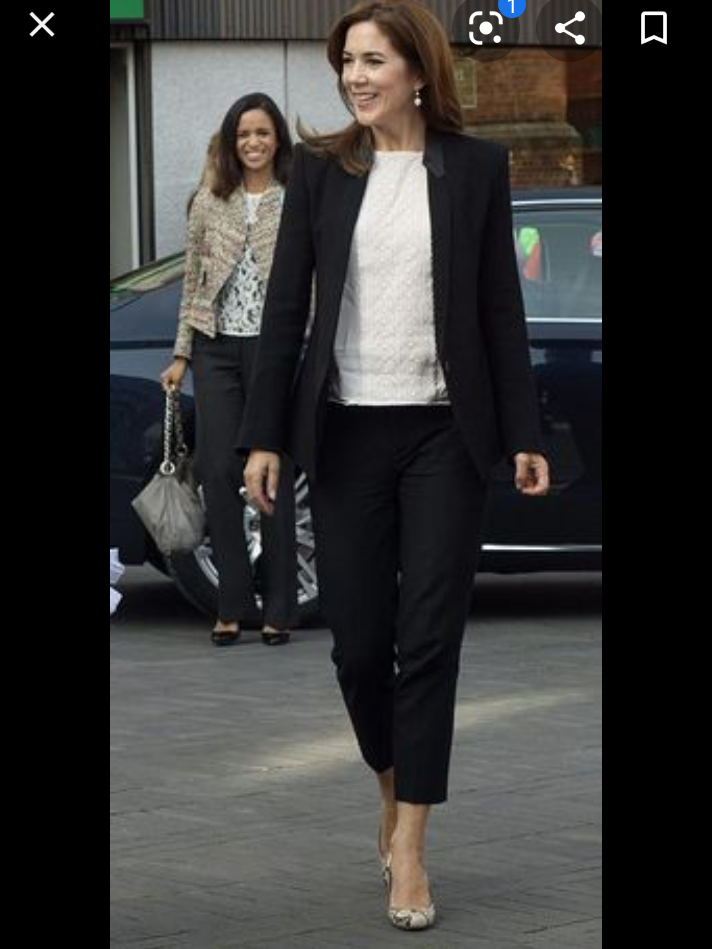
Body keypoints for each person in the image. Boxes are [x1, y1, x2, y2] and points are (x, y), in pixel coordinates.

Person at [241, 0, 550, 931]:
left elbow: (499, 307)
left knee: (431, 640)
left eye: (373, 60)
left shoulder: (476, 168)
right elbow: (286, 307)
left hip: (444, 434)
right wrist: (264, 435)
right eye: (347, 62)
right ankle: (390, 784)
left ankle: (411, 841)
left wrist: (524, 431)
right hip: (346, 433)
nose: (355, 77)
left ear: (418, 69)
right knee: (359, 646)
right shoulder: (321, 171)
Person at [161, 93, 299, 648]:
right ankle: (232, 603)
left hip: (275, 349)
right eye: (243, 135)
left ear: (277, 138)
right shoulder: (209, 200)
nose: (253, 143)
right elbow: (193, 280)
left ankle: (281, 608)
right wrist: (182, 354)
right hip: (216, 348)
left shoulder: (296, 196)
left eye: (262, 133)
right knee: (217, 470)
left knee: (274, 473)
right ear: (230, 141)